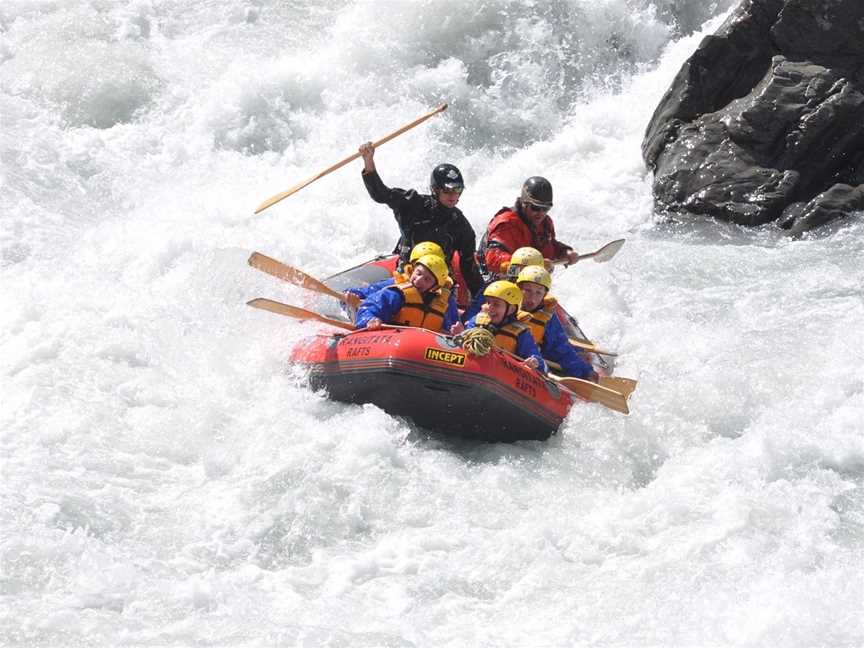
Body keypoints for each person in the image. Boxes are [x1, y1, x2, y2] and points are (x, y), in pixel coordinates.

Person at [358, 141, 484, 299]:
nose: (453, 195)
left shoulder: (461, 225)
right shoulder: (413, 204)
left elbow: (469, 268)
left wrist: (483, 300)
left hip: (437, 284)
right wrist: (369, 162)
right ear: (435, 189)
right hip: (407, 276)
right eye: (447, 190)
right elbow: (381, 194)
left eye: (457, 190)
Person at [478, 176, 581, 277]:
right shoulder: (507, 224)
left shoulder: (545, 223)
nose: (541, 213)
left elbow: (549, 244)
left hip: (526, 282)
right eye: (535, 207)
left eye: (545, 209)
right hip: (493, 281)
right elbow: (492, 261)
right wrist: (530, 266)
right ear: (524, 204)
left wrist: (564, 252)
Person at [515, 266, 598, 381]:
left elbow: (561, 349)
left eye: (538, 292)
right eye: (528, 290)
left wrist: (585, 371)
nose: (532, 298)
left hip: (532, 362)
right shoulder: (506, 305)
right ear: (519, 289)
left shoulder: (547, 317)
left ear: (545, 295)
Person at [454, 281, 545, 371]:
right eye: (488, 302)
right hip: (472, 368)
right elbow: (466, 343)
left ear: (511, 309)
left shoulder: (521, 333)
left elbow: (535, 356)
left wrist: (534, 361)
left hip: (502, 374)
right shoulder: (476, 321)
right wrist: (461, 335)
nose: (490, 308)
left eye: (496, 304)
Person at [354, 254, 458, 332]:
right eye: (418, 273)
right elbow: (368, 307)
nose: (418, 280)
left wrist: (456, 332)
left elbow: (450, 329)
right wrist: (370, 319)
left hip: (422, 350)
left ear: (435, 287)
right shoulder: (396, 294)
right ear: (412, 270)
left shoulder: (442, 306)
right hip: (391, 340)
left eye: (427, 279)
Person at [461, 246, 545, 322]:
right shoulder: (495, 288)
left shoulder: (546, 302)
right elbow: (471, 314)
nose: (519, 276)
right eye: (517, 270)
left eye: (526, 273)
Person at [345, 241, 446, 302]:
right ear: (413, 266)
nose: (428, 267)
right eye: (419, 270)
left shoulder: (441, 297)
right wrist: (352, 296)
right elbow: (369, 299)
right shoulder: (394, 286)